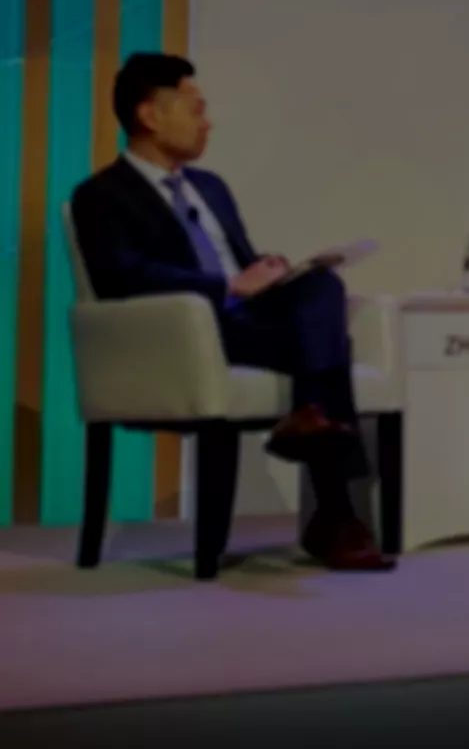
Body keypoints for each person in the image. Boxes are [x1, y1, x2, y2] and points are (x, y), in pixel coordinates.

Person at [69, 53, 394, 571]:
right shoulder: (100, 195)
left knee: (321, 286)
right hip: (186, 333)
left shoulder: (211, 187)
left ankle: (310, 422)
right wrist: (225, 286)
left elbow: (238, 263)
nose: (208, 123)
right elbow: (122, 277)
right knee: (330, 349)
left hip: (248, 319)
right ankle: (336, 515)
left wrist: (268, 270)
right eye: (196, 110)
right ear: (150, 115)